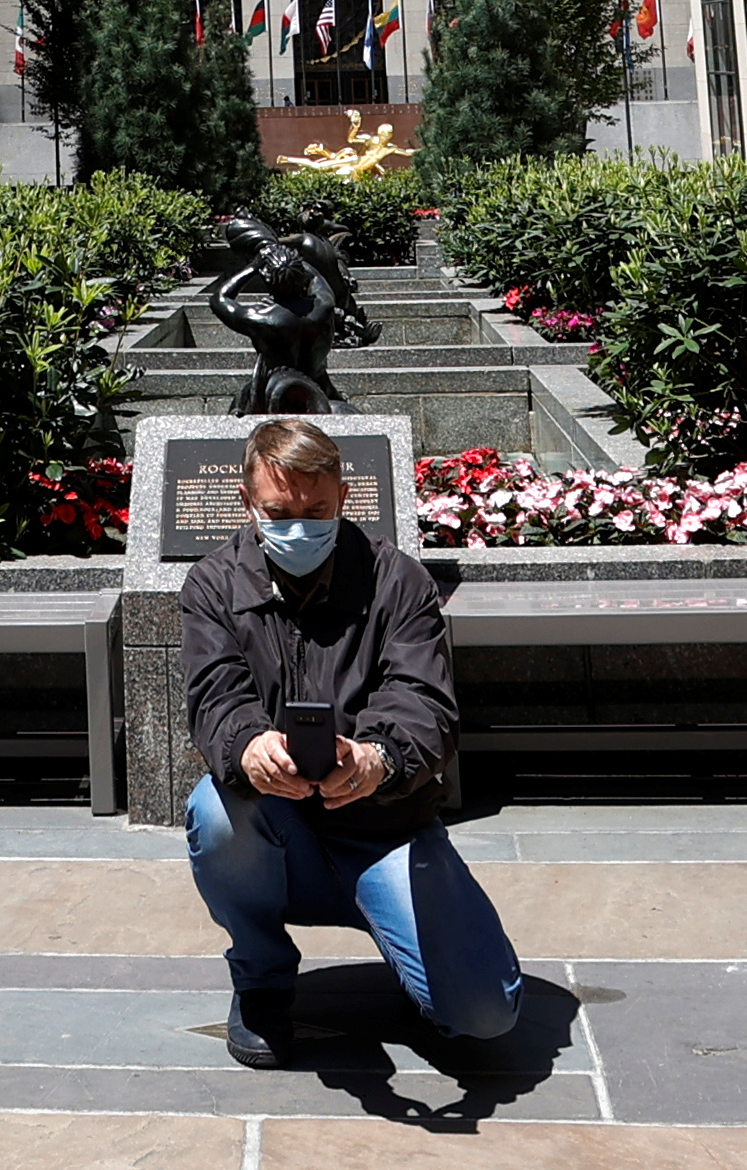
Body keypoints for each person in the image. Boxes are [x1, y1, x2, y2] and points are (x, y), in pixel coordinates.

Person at [177, 414, 521, 1070]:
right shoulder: (213, 584)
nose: (298, 525)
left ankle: (412, 947)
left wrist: (376, 757)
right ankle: (261, 977)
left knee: (485, 1012)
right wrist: (250, 746)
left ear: (344, 498)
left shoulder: (400, 581)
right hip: (274, 823)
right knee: (214, 810)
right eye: (279, 511)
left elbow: (426, 702)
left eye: (316, 508)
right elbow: (215, 694)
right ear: (247, 502)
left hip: (385, 826)